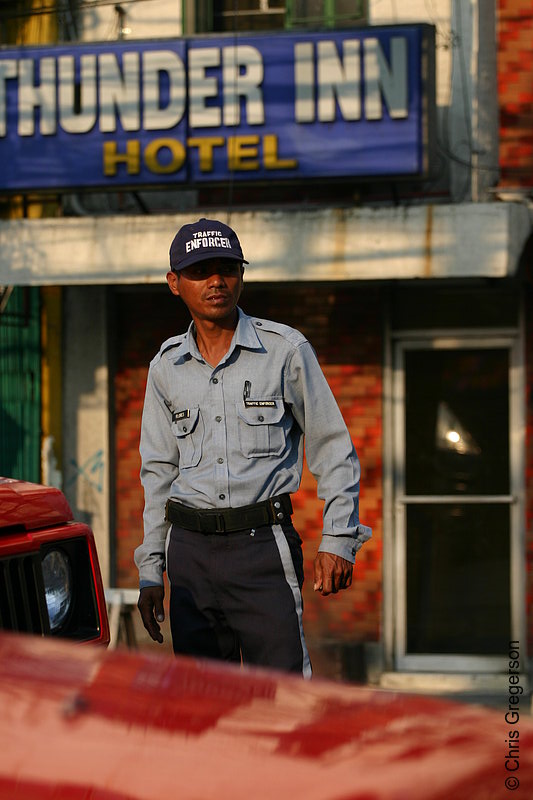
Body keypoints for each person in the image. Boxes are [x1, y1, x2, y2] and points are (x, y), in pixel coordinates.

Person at [135, 217, 371, 677]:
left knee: (284, 699)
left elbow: (332, 447)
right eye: (201, 271)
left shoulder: (284, 349)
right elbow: (158, 473)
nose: (217, 281)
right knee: (201, 703)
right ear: (174, 283)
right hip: (189, 556)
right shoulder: (165, 367)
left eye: (228, 268)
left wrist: (340, 537)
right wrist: (151, 571)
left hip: (262, 549)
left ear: (241, 276)